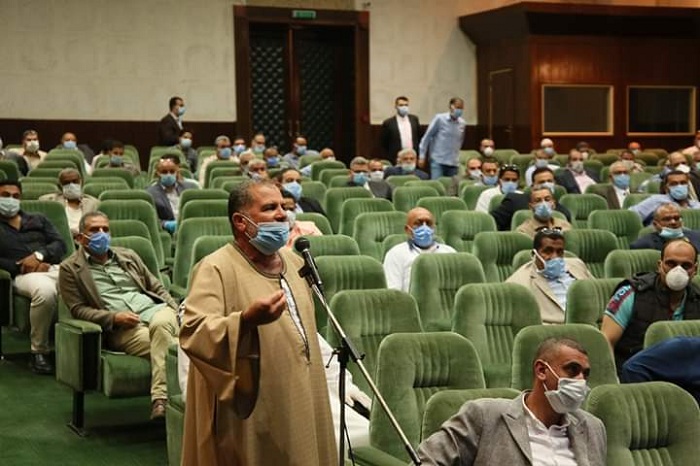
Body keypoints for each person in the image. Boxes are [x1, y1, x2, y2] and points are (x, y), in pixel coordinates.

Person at [179, 180, 337, 465]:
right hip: (254, 401)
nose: (282, 214)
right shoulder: (215, 268)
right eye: (269, 208)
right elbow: (195, 331)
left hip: (304, 390)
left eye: (283, 207)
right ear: (241, 222)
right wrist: (245, 321)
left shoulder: (294, 263)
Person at [58, 212, 179, 419]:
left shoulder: (128, 256)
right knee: (180, 347)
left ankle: (160, 399)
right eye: (94, 230)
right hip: (125, 329)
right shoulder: (70, 268)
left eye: (105, 229)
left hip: (158, 312)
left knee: (160, 327)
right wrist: (113, 318)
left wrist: (174, 309)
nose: (101, 234)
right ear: (80, 237)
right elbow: (78, 309)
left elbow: (156, 287)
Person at [416, 337, 606, 466]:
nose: (580, 380)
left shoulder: (592, 427)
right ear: (541, 370)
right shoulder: (484, 416)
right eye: (572, 370)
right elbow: (426, 461)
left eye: (585, 374)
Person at [601, 238, 700, 371]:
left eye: (686, 266)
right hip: (635, 372)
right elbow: (606, 341)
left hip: (682, 374)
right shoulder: (633, 292)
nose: (678, 270)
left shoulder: (697, 298)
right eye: (671, 264)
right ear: (660, 265)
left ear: (695, 269)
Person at [0, 180, 66, 374]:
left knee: (89, 281)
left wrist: (39, 256)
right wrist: (21, 266)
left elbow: (59, 244)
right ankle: (38, 351)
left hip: (53, 267)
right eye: (5, 195)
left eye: (15, 196)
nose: (11, 200)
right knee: (45, 292)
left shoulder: (38, 219)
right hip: (22, 276)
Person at [507, 228, 592, 324]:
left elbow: (598, 294)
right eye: (548, 251)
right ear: (534, 254)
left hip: (592, 323)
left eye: (559, 252)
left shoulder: (577, 265)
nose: (555, 257)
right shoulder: (519, 283)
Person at [383, 207, 456, 292]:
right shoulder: (396, 254)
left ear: (434, 228)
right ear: (407, 230)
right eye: (418, 224)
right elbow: (393, 292)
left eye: (428, 223)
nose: (425, 228)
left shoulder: (449, 252)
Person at [492, 167, 572, 231]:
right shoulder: (515, 201)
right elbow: (492, 223)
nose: (546, 185)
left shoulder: (563, 212)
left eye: (549, 181)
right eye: (541, 182)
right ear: (533, 186)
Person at [39, 168, 99, 239]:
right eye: (66, 183)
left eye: (75, 181)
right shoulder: (51, 201)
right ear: (60, 185)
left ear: (81, 182)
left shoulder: (92, 203)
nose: (71, 185)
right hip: (60, 238)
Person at [147, 154, 198, 234]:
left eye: (172, 171)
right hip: (167, 233)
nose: (168, 175)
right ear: (158, 173)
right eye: (164, 172)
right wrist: (164, 224)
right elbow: (150, 220)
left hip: (190, 229)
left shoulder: (190, 188)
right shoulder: (150, 193)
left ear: (177, 172)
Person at [419, 97, 467, 179]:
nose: (459, 110)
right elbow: (427, 137)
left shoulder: (462, 123)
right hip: (438, 160)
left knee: (452, 186)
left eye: (461, 108)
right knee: (437, 184)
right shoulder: (440, 119)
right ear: (451, 106)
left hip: (453, 162)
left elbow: (460, 141)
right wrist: (422, 156)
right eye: (457, 107)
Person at [629, 170, 700, 225]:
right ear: (666, 188)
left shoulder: (696, 205)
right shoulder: (657, 200)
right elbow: (630, 216)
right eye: (674, 184)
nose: (679, 186)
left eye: (683, 183)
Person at [631, 203, 700, 250]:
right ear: (655, 224)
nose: (673, 222)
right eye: (667, 219)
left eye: (676, 218)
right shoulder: (642, 245)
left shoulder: (697, 237)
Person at [380, 96, 421, 160]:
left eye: (406, 105)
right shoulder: (388, 123)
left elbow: (419, 137)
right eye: (401, 105)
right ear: (396, 106)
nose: (404, 107)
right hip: (395, 157)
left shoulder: (414, 120)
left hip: (412, 156)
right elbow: (384, 143)